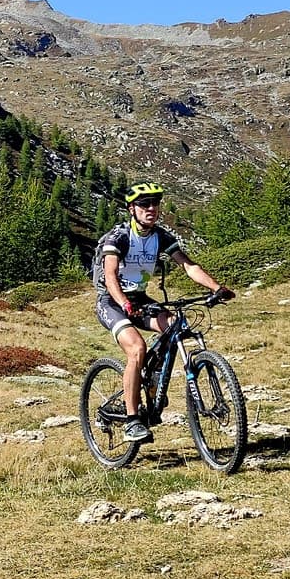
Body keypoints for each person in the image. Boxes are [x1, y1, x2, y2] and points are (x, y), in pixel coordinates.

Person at [91, 182, 231, 442]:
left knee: (176, 325)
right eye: (145, 204)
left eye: (155, 203)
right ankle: (132, 420)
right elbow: (110, 276)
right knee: (136, 348)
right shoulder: (119, 237)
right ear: (132, 209)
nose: (151, 208)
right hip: (111, 301)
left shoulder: (160, 236)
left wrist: (217, 287)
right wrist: (123, 302)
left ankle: (152, 382)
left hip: (139, 299)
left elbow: (188, 266)